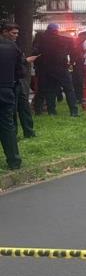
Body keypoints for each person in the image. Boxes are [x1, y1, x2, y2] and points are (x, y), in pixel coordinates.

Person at [34, 23, 79, 117]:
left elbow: (35, 52)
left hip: (46, 68)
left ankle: (51, 112)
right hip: (61, 68)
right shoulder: (65, 40)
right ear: (56, 30)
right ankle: (74, 111)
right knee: (69, 89)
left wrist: (38, 66)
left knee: (50, 90)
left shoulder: (41, 40)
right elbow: (74, 52)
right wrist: (71, 63)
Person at [1, 23, 34, 139]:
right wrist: (25, 61)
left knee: (24, 106)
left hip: (18, 80)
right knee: (12, 110)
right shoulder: (8, 46)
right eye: (13, 33)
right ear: (4, 32)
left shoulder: (13, 45)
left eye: (17, 33)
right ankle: (13, 134)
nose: (16, 35)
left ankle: (29, 132)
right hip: (10, 82)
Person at [0, 25, 23, 169]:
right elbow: (20, 71)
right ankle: (14, 160)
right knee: (7, 126)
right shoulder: (13, 48)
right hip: (6, 89)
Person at [72, 30, 86, 106]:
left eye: (80, 37)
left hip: (83, 64)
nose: (78, 39)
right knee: (76, 81)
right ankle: (79, 97)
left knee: (82, 82)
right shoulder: (77, 44)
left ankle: (84, 97)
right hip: (77, 65)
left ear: (85, 37)